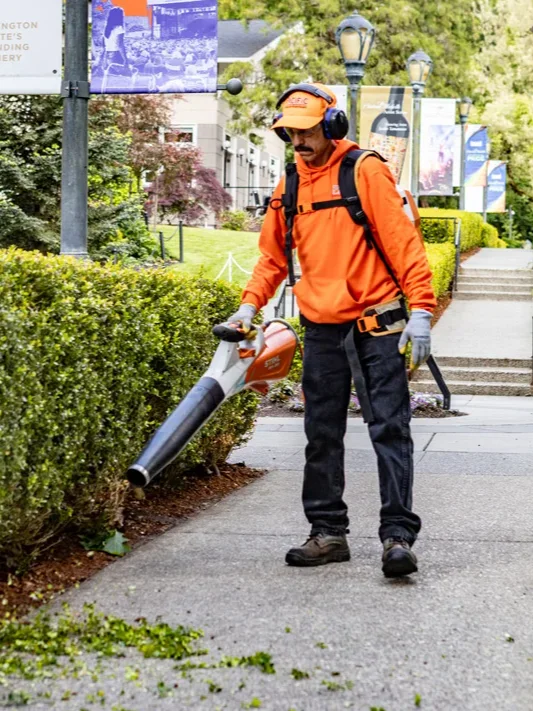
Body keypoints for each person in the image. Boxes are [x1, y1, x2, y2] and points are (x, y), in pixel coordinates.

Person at [226, 82, 436, 578]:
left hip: (376, 324)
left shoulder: (364, 171)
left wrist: (422, 309)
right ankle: (327, 533)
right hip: (321, 328)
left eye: (306, 132)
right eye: (289, 134)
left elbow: (405, 244)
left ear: (331, 126)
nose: (298, 142)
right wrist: (247, 307)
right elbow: (271, 257)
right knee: (321, 434)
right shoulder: (291, 185)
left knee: (390, 429)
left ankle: (397, 538)